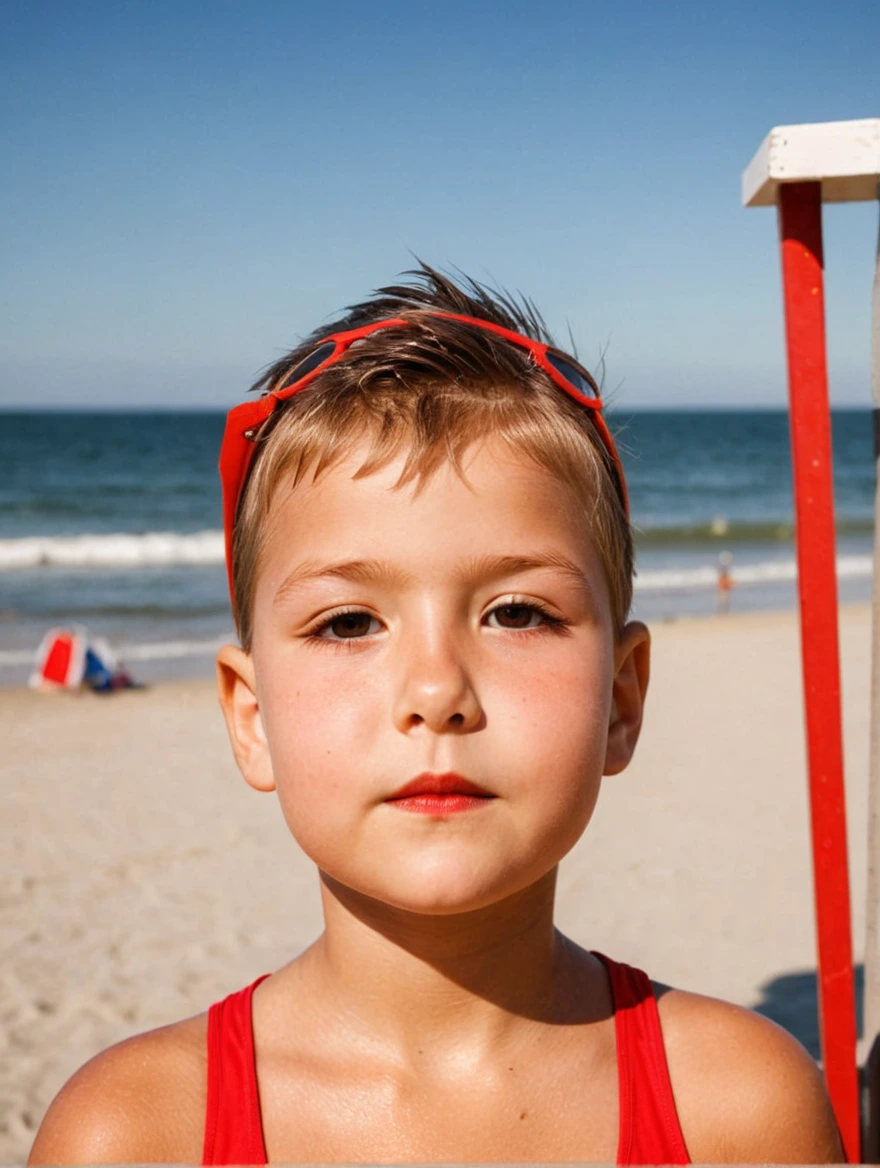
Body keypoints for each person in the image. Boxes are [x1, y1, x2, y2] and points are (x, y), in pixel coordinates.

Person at [28, 265, 843, 1165]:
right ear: (250, 716)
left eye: (518, 612)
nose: (436, 692)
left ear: (622, 697)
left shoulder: (739, 1109)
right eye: (348, 623)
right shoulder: (133, 1135)